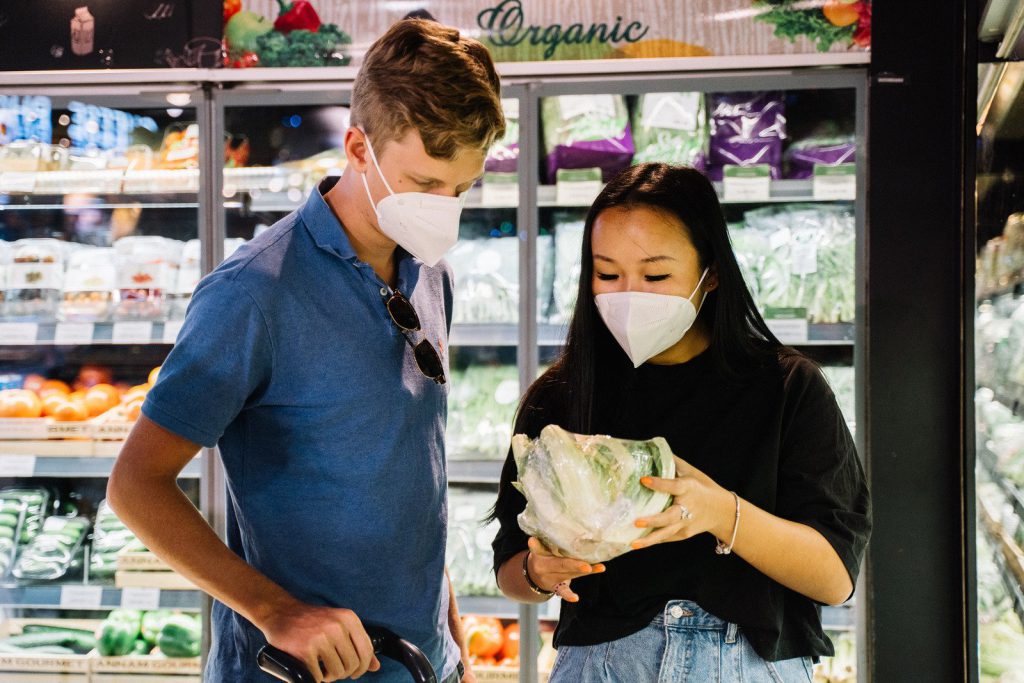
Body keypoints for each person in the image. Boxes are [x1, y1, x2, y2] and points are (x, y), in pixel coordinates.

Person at [108, 19, 505, 683]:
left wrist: (453, 645)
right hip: (289, 671)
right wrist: (277, 609)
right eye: (425, 183)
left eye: (463, 189)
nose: (444, 208)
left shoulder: (431, 271)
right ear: (357, 147)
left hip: (420, 664)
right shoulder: (254, 293)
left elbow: (413, 476)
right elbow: (135, 484)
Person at [490, 163, 871, 682]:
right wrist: (539, 572)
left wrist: (721, 512)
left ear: (710, 272)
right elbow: (511, 569)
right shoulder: (560, 398)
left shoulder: (788, 389)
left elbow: (834, 578)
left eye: (655, 275)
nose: (629, 293)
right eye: (607, 274)